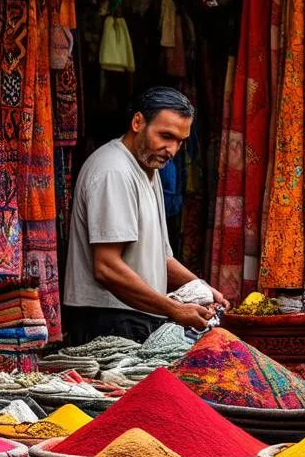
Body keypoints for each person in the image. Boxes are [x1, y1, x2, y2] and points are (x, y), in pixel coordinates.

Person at [63, 87, 228, 345]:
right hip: (109, 321)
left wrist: (202, 287)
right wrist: (174, 309)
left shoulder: (147, 169)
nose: (172, 150)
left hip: (135, 316)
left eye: (180, 141)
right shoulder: (114, 171)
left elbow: (159, 257)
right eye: (165, 136)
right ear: (138, 122)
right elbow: (106, 267)